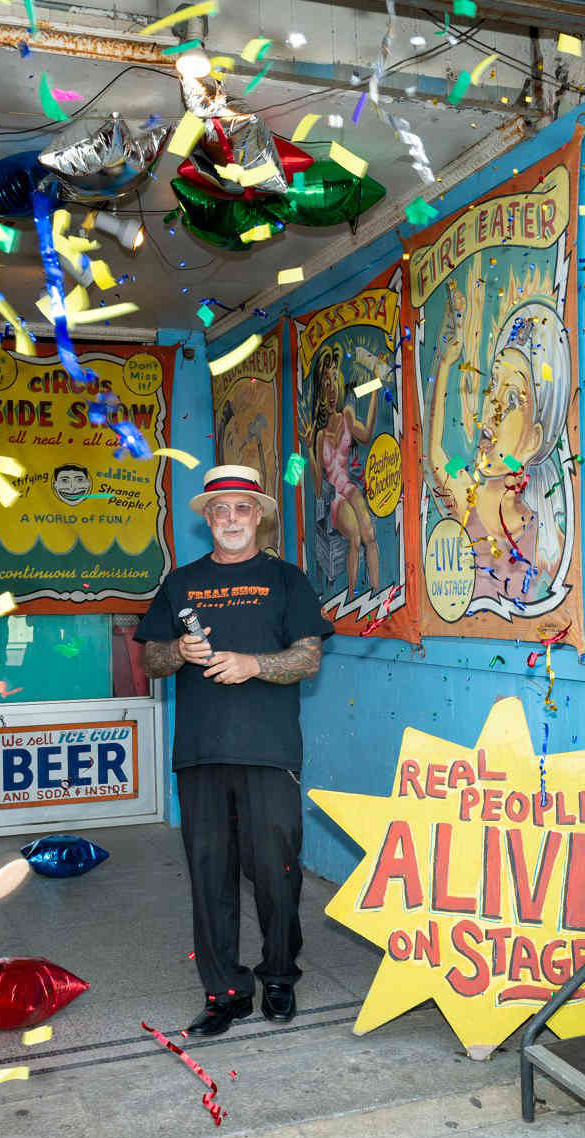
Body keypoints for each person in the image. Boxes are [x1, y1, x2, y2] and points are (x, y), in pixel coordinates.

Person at [135, 465, 333, 1036]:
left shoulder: (287, 580)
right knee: (209, 873)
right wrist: (177, 650)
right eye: (219, 510)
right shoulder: (181, 584)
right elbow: (151, 661)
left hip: (269, 751)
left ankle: (277, 977)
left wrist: (253, 664)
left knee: (276, 871)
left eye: (241, 509)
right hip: (199, 751)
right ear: (207, 519)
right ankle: (224, 991)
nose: (230, 519)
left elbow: (308, 658)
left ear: (259, 516)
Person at [425, 279, 571, 605]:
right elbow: (436, 452)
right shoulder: (465, 493)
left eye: (511, 399)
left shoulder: (547, 538)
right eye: (492, 388)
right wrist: (445, 364)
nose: (491, 411)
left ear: (533, 439)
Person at [299, 343, 380, 593]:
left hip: (350, 487)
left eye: (334, 379)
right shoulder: (320, 434)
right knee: (355, 538)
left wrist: (375, 390)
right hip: (336, 497)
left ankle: (377, 594)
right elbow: (318, 487)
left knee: (370, 537)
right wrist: (310, 449)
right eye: (325, 382)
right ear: (321, 391)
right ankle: (355, 597)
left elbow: (365, 434)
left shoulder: (346, 415)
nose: (331, 387)